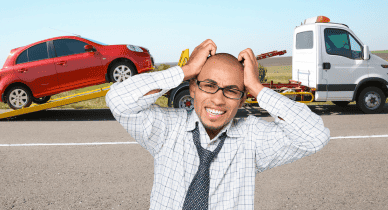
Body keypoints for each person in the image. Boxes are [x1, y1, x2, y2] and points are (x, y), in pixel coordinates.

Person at [106, 39, 330, 209]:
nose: (218, 99)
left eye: (232, 90)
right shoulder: (166, 129)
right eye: (209, 85)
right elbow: (118, 100)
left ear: (243, 98)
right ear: (192, 88)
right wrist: (185, 70)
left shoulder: (252, 138)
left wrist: (257, 87)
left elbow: (314, 136)